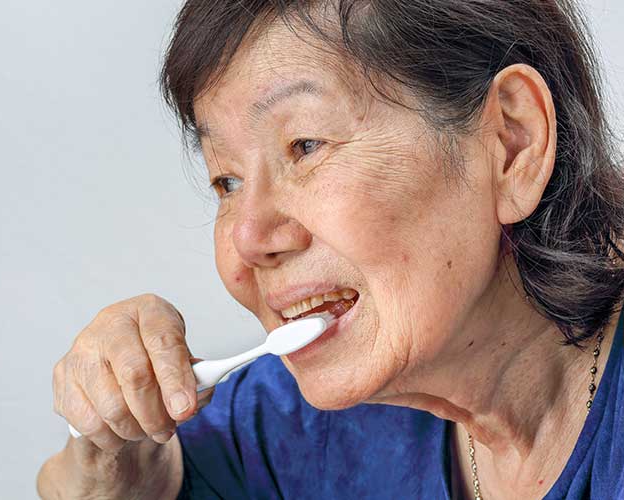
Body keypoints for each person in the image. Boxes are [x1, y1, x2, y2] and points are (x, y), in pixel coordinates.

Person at [37, 1, 624, 498]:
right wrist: (110, 447)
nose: (248, 238)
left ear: (511, 143)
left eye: (305, 145)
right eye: (227, 181)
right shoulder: (297, 426)